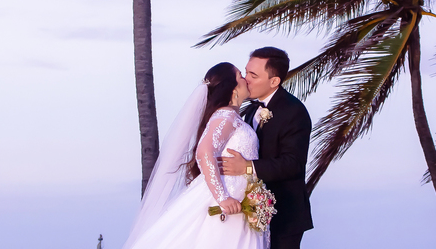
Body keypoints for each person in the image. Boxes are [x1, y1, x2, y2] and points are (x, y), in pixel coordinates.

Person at [122, 62, 267, 249]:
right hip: (225, 204)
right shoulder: (226, 116)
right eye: (241, 75)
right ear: (232, 89)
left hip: (240, 204)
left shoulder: (233, 117)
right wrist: (222, 197)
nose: (246, 79)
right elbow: (204, 151)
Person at [219, 47, 312, 249]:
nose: (245, 80)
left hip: (284, 214)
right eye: (245, 73)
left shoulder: (294, 111)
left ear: (274, 81)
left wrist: (247, 167)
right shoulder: (251, 108)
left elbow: (292, 164)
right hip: (251, 211)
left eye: (253, 75)